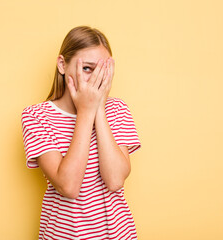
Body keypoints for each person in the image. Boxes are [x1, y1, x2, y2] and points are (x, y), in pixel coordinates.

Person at [20, 25, 141, 240]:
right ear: (62, 65)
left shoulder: (118, 110)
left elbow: (114, 180)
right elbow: (68, 186)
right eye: (87, 68)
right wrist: (85, 113)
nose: (96, 79)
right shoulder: (36, 116)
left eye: (102, 71)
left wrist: (99, 108)